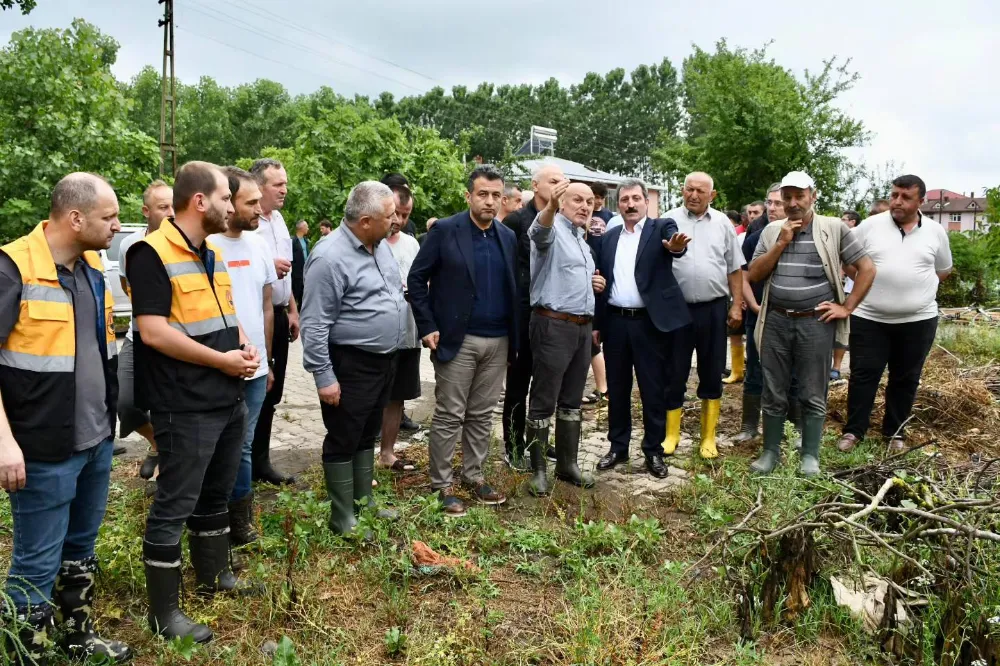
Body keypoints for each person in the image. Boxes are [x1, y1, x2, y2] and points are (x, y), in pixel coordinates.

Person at [0, 173, 130, 663]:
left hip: (95, 439)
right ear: (75, 218)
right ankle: (23, 653)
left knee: (80, 548)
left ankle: (77, 638)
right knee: (35, 561)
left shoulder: (94, 268)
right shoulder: (12, 268)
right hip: (41, 448)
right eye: (109, 217)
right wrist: (3, 443)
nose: (118, 225)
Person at [129, 161, 260, 643]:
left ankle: (215, 575)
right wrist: (221, 361)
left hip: (226, 397)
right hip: (184, 403)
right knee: (175, 502)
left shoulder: (211, 252)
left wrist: (243, 345)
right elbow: (154, 331)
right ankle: (165, 615)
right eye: (227, 198)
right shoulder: (149, 253)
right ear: (200, 201)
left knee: (216, 492)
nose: (232, 206)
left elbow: (225, 314)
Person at [748, 171, 875, 476]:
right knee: (774, 389)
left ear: (812, 196)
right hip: (776, 321)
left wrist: (847, 307)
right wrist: (780, 243)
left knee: (812, 390)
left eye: (799, 196)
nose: (793, 203)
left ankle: (810, 455)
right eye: (787, 196)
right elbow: (753, 275)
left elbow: (867, 268)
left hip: (815, 323)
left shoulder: (834, 228)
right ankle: (770, 452)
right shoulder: (771, 231)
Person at [408, 165, 517, 516]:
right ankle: (441, 485)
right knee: (449, 414)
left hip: (498, 339)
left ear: (503, 198)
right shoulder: (445, 231)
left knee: (482, 414)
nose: (489, 201)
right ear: (468, 195)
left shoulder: (507, 237)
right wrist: (427, 326)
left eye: (495, 195)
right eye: (482, 194)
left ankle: (473, 475)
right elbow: (416, 279)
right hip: (458, 339)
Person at [301, 181, 407, 534]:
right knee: (344, 436)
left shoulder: (378, 246)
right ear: (365, 221)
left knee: (366, 435)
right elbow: (314, 324)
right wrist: (324, 377)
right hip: (351, 363)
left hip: (383, 361)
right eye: (389, 215)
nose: (395, 221)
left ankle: (365, 504)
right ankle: (342, 516)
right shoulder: (328, 257)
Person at [837, 175, 952, 453]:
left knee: (906, 377)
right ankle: (854, 432)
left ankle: (895, 433)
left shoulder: (936, 232)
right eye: (894, 195)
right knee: (864, 375)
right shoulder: (870, 227)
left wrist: (914, 289)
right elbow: (847, 259)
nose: (897, 201)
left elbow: (943, 270)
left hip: (918, 320)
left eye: (905, 197)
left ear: (921, 201)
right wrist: (864, 284)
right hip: (870, 317)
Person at [594, 178, 691, 478]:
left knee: (653, 389)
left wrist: (675, 247)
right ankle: (618, 447)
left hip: (650, 324)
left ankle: (653, 451)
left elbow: (673, 243)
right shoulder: (608, 239)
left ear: (646, 202)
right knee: (618, 389)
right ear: (618, 204)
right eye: (624, 200)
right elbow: (601, 284)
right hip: (616, 323)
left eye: (636, 198)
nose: (631, 204)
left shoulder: (661, 227)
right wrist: (598, 324)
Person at [523, 181, 607, 495]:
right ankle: (538, 470)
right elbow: (538, 232)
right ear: (562, 202)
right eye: (577, 200)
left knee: (572, 399)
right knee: (544, 398)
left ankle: (567, 465)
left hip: (582, 328)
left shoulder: (582, 241)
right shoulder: (552, 229)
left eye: (589, 201)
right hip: (552, 326)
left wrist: (593, 283)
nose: (585, 206)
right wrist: (550, 207)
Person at [208, 167, 276, 547]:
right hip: (217, 367)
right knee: (218, 446)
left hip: (254, 366)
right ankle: (211, 519)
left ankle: (240, 520)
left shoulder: (260, 245)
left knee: (244, 446)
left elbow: (266, 307)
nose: (259, 210)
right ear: (227, 202)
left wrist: (266, 362)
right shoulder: (208, 246)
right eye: (251, 202)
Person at [663, 172, 744, 460]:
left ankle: (708, 437)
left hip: (713, 308)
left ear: (713, 195)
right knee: (674, 371)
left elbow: (735, 268)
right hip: (677, 310)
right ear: (682, 190)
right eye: (689, 189)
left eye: (701, 191)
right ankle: (671, 434)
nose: (694, 195)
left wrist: (736, 305)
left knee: (711, 371)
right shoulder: (668, 219)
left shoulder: (723, 223)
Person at [500, 164, 565, 470]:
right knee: (518, 383)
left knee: (545, 385)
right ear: (535, 185)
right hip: (523, 313)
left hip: (552, 315)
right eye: (553, 180)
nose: (559, 185)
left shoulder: (562, 220)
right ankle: (512, 446)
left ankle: (537, 439)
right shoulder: (515, 221)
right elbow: (507, 271)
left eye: (562, 181)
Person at [118, 179, 173, 480]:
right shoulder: (130, 245)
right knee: (126, 404)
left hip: (173, 339)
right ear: (146, 211)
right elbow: (129, 288)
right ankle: (157, 444)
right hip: (137, 336)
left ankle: (168, 477)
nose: (169, 213)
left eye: (173, 207)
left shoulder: (182, 243)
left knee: (169, 409)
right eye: (163, 207)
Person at [248, 158, 298, 485]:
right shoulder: (248, 225)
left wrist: (293, 309)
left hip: (279, 315)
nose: (284, 189)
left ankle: (261, 461)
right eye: (277, 184)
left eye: (285, 183)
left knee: (273, 392)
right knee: (257, 389)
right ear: (259, 186)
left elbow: (287, 272)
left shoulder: (279, 220)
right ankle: (246, 461)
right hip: (255, 318)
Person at [733, 183, 784, 444]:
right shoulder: (755, 238)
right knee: (755, 370)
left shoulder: (806, 236)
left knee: (792, 374)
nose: (772, 208)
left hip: (791, 317)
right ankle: (750, 426)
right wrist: (752, 305)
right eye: (770, 203)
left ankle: (790, 427)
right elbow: (742, 276)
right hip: (759, 316)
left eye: (779, 203)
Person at [379, 186, 424, 472]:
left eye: (405, 215)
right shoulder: (370, 243)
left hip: (408, 333)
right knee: (373, 395)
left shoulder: (411, 244)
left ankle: (387, 452)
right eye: (395, 213)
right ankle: (358, 458)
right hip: (376, 336)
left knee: (397, 396)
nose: (399, 220)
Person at [831, 211, 863, 380]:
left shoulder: (856, 233)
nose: (841, 222)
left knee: (852, 332)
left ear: (853, 221)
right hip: (850, 290)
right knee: (843, 329)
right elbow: (843, 262)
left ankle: (844, 367)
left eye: (844, 220)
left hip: (863, 292)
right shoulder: (845, 235)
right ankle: (836, 367)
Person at [291, 219, 310, 309]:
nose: (308, 228)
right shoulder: (293, 241)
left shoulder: (306, 241)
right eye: (306, 226)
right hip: (296, 274)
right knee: (295, 295)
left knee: (304, 296)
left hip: (305, 273)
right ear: (301, 228)